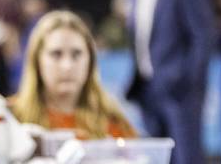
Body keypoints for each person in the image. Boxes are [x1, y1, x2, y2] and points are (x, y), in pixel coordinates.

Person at [119, 0, 215, 164]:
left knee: (187, 163)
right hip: (148, 87)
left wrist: (189, 79)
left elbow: (203, 35)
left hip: (179, 88)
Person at [10, 10, 137, 139]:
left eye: (77, 54)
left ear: (90, 60)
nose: (67, 66)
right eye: (56, 54)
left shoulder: (114, 122)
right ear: (37, 60)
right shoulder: (9, 118)